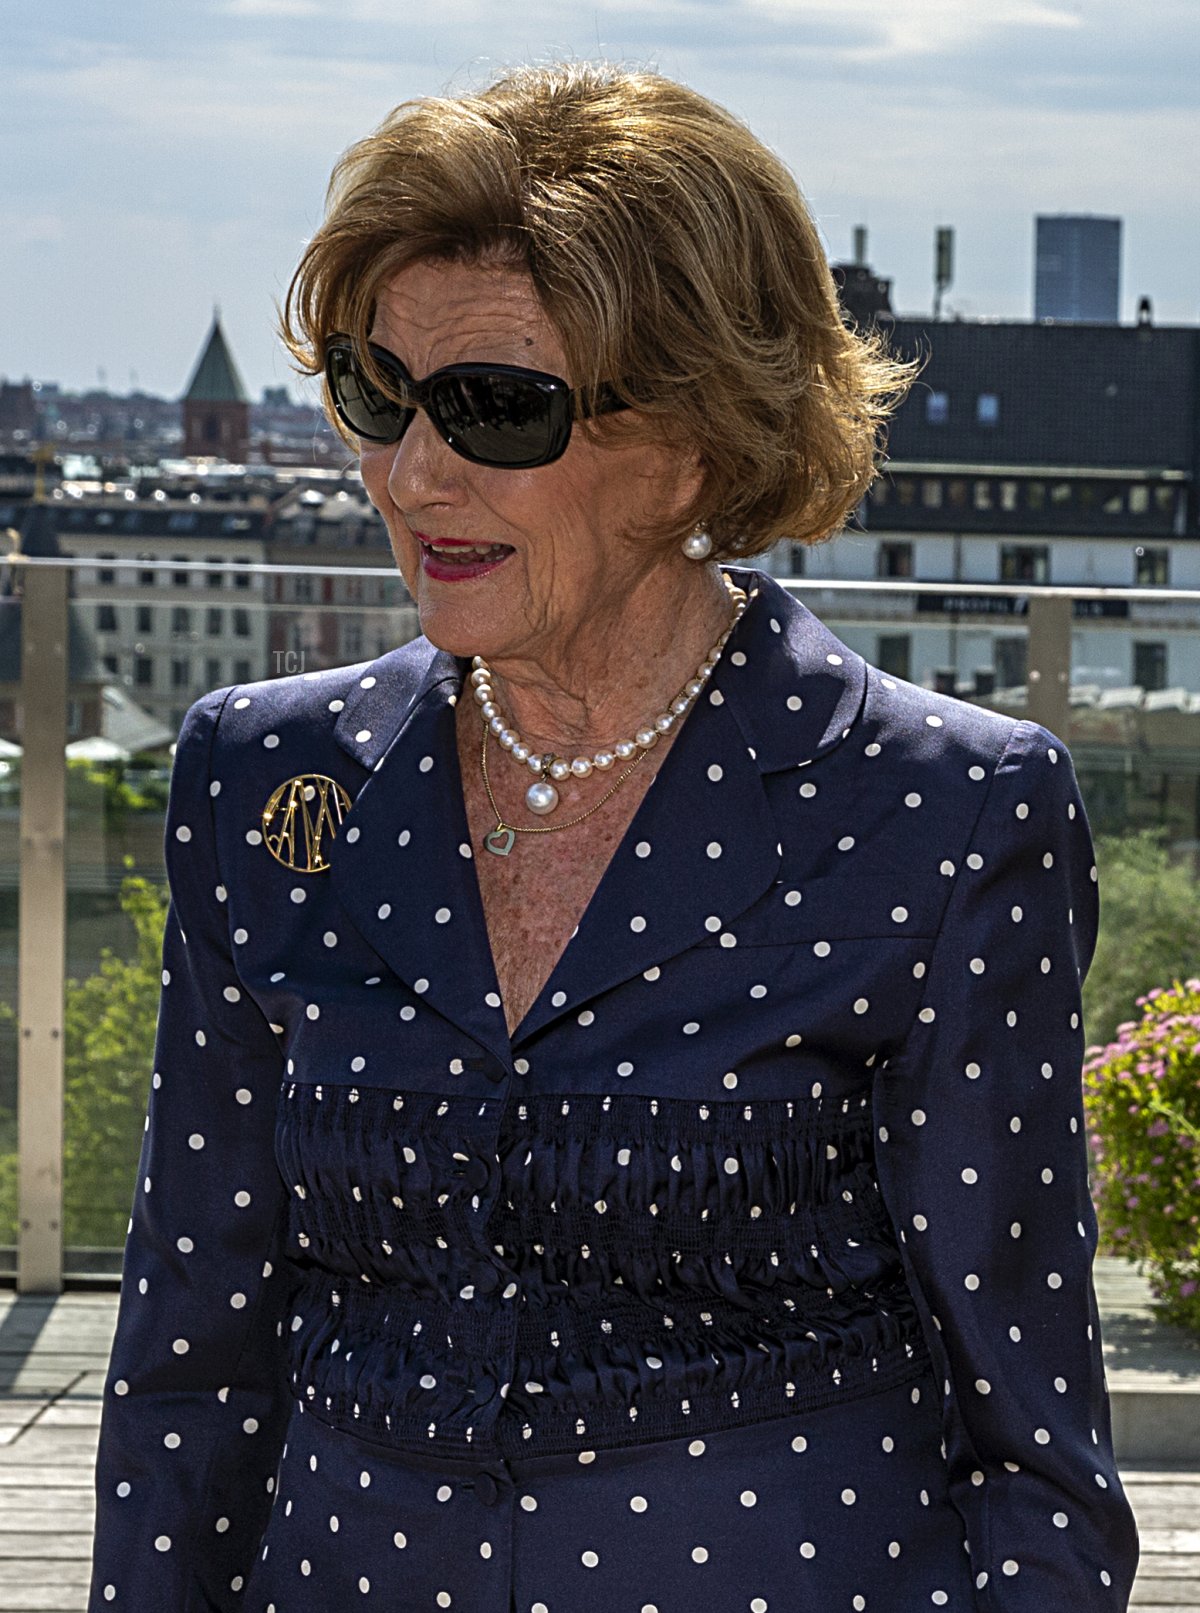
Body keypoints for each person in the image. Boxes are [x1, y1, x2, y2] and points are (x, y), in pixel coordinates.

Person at [88, 61, 1139, 1612]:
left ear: (700, 439)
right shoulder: (262, 779)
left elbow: (1035, 1444)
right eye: (378, 393)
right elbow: (190, 1359)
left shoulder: (947, 816)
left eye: (496, 408)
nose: (407, 471)